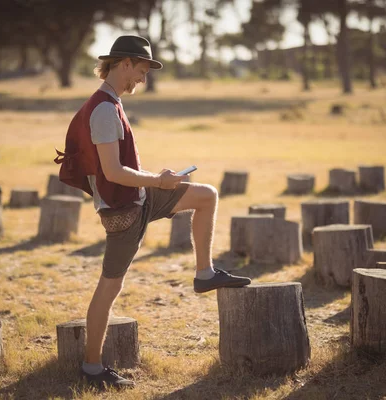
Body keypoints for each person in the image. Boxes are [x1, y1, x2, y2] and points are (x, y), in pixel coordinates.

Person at [56, 35, 251, 390]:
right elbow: (112, 172)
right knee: (109, 287)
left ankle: (204, 273)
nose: (143, 79)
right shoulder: (102, 109)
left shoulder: (111, 102)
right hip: (124, 211)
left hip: (140, 198)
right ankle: (92, 367)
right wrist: (158, 181)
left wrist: (158, 182)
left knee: (206, 195)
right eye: (142, 70)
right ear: (124, 63)